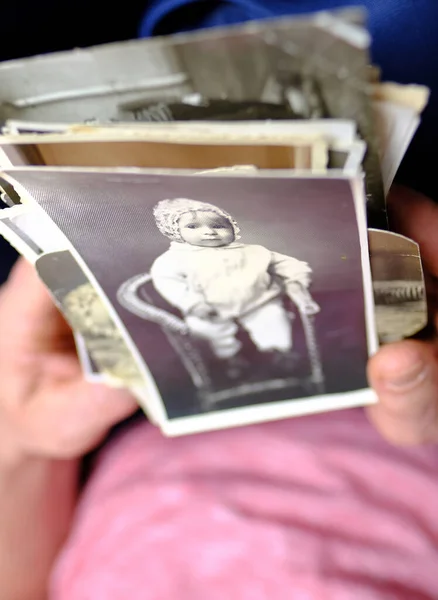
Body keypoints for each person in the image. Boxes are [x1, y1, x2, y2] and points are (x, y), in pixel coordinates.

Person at [0, 2, 437, 599]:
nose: (213, 233)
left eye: (216, 224)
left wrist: (23, 442)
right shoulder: (174, 261)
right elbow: (171, 285)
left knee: (273, 333)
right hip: (403, 437)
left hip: (116, 436)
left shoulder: (240, 250)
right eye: (199, 228)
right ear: (179, 235)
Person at [145, 198, 318, 365]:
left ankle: (278, 352)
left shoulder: (253, 251)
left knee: (273, 317)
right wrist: (193, 304)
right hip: (210, 309)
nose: (209, 232)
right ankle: (228, 358)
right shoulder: (172, 259)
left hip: (257, 302)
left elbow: (288, 264)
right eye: (193, 226)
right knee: (204, 329)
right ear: (175, 231)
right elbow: (168, 282)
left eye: (218, 226)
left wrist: (296, 281)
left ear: (233, 227)